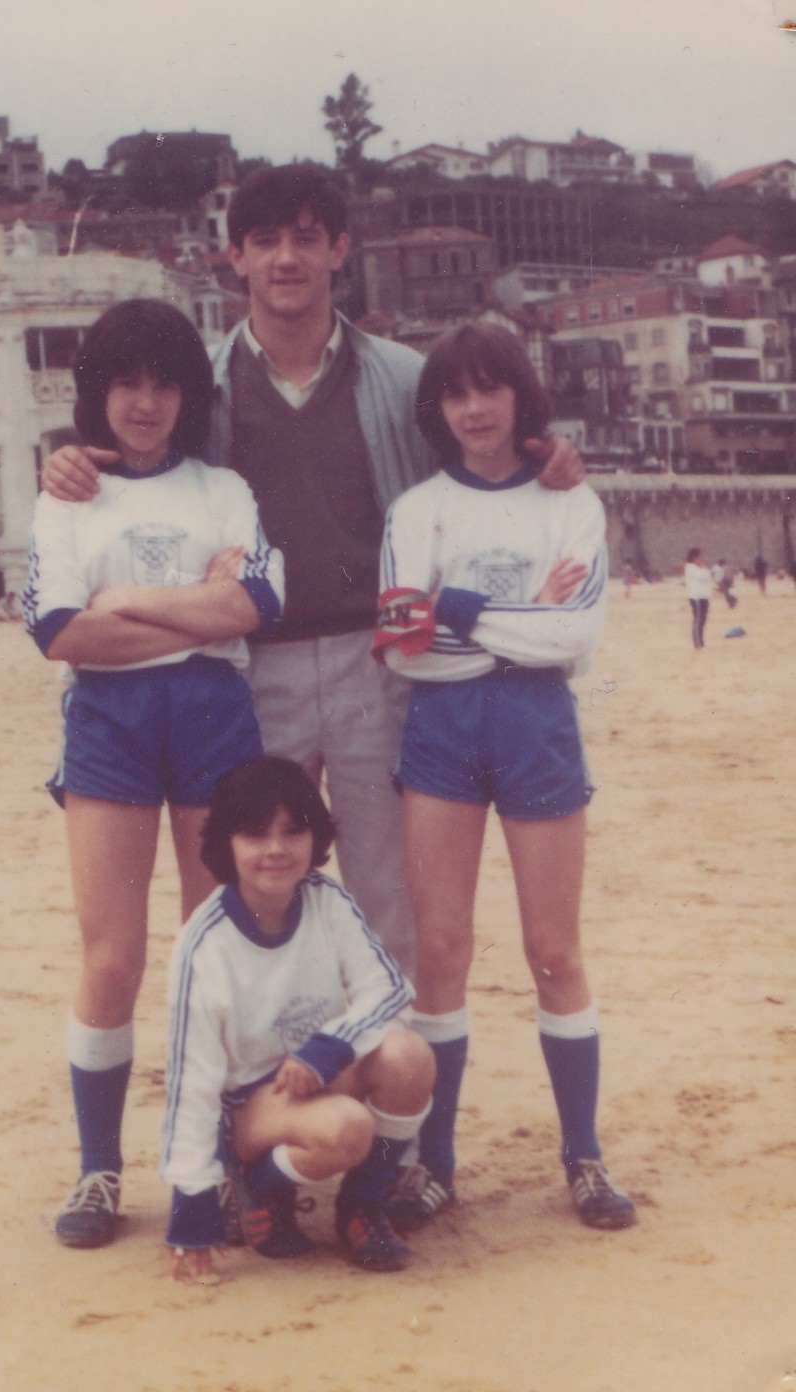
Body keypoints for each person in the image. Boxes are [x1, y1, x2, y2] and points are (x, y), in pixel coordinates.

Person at [41, 164, 586, 978]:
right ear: (235, 257)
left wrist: (552, 455)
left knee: (384, 888)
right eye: (265, 241)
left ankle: (385, 1074)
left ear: (340, 249)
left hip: (377, 661)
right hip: (253, 666)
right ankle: (275, 1074)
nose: (286, 258)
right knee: (266, 881)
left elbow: (482, 461)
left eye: (306, 238)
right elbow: (136, 466)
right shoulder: (204, 386)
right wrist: (67, 462)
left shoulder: (404, 379)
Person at [23, 299, 284, 1250]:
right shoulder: (67, 492)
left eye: (163, 382)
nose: (144, 402)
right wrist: (193, 605)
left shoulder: (224, 489)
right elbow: (60, 632)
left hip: (215, 715)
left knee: (209, 950)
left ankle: (206, 1160)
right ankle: (98, 1171)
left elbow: (255, 604)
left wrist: (128, 599)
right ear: (100, 391)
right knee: (114, 956)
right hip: (108, 723)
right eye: (126, 382)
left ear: (187, 393)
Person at [374, 322, 635, 1234]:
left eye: (491, 389)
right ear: (437, 410)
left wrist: (455, 604)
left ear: (521, 397)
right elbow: (406, 653)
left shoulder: (571, 502)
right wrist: (522, 614)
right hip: (439, 730)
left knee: (554, 951)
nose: (475, 409)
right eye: (456, 394)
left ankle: (584, 1155)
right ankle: (434, 1164)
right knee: (441, 954)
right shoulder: (416, 510)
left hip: (537, 724)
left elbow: (575, 641)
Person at [161, 755, 435, 1281]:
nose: (276, 850)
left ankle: (362, 1206)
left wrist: (330, 1046)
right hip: (248, 1108)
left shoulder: (327, 900)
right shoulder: (205, 944)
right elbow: (188, 1081)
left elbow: (388, 988)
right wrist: (191, 1202)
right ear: (227, 843)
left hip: (317, 1070)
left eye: (293, 830)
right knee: (347, 1128)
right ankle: (258, 1186)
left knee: (408, 1056)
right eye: (255, 834)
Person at [684, 548, 712, 649]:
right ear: (694, 557)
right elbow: (703, 576)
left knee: (703, 620)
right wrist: (702, 568)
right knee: (698, 619)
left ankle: (701, 641)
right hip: (696, 597)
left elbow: (708, 576)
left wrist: (703, 568)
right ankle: (697, 643)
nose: (701, 558)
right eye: (699, 556)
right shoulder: (690, 567)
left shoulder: (700, 568)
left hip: (704, 596)